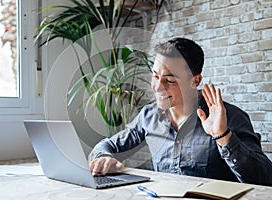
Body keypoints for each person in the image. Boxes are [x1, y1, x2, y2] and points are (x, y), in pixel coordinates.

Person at [88, 37, 272, 186]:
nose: (158, 87)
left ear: (195, 80)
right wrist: (103, 158)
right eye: (155, 76)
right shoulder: (148, 116)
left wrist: (223, 136)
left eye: (169, 80)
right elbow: (107, 145)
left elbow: (264, 179)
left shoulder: (229, 117)